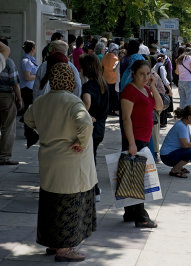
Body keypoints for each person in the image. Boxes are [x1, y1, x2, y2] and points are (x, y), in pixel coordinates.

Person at [24, 63, 97, 262]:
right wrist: (80, 142)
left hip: (49, 161)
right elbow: (85, 123)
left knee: (51, 203)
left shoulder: (41, 101)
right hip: (71, 164)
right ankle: (65, 249)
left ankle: (54, 243)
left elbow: (28, 119)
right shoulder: (73, 102)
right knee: (69, 204)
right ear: (71, 80)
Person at [120, 60, 163, 227]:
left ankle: (130, 212)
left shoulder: (145, 89)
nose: (145, 77)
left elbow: (159, 106)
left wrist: (152, 85)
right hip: (135, 139)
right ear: (133, 74)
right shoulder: (129, 91)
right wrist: (131, 143)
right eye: (142, 74)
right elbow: (126, 118)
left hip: (144, 138)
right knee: (137, 178)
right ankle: (141, 217)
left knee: (133, 176)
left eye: (148, 73)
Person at [80, 54, 109, 202]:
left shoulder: (88, 86)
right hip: (100, 128)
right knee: (92, 158)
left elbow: (86, 101)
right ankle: (94, 189)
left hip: (90, 128)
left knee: (88, 160)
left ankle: (93, 190)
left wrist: (85, 114)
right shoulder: (103, 83)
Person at [160, 106, 191, 178]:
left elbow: (190, 140)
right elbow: (185, 145)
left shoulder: (184, 124)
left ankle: (179, 167)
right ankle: (175, 170)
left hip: (170, 154)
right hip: (167, 157)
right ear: (189, 117)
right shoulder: (181, 126)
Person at [0, 38, 22, 165]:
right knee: (8, 128)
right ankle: (4, 156)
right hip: (6, 97)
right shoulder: (8, 62)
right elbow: (15, 83)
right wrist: (19, 99)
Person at [20, 40, 39, 137]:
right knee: (28, 111)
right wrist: (38, 76)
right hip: (27, 89)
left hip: (31, 88)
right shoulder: (26, 61)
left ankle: (29, 131)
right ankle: (28, 132)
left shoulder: (31, 59)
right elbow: (27, 77)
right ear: (32, 48)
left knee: (30, 110)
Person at [102, 43, 120, 116]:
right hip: (113, 79)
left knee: (107, 96)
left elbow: (102, 67)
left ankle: (108, 110)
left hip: (105, 79)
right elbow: (115, 69)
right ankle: (115, 110)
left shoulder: (104, 57)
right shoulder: (116, 59)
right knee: (114, 96)